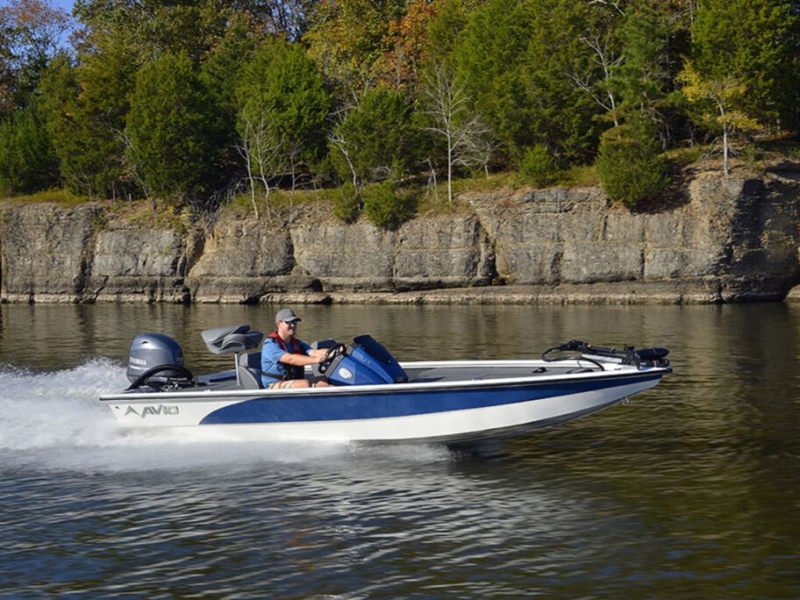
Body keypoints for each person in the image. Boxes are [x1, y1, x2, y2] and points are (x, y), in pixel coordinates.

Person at [261, 308, 332, 388]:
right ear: (279, 324)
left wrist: (334, 351)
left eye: (294, 322)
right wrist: (315, 360)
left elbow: (314, 352)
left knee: (323, 379)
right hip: (273, 384)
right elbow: (290, 359)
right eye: (288, 322)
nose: (293, 325)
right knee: (304, 384)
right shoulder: (270, 344)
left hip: (293, 381)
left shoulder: (296, 343)